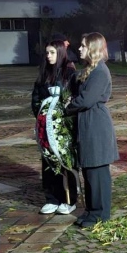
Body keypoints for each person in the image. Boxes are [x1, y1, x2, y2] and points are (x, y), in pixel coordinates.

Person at [66, 33, 119, 228]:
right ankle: (91, 209)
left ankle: (100, 213)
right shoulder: (90, 69)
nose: (79, 49)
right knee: (89, 170)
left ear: (93, 48)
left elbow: (86, 100)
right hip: (88, 123)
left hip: (96, 124)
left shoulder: (100, 71)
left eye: (83, 46)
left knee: (97, 171)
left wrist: (67, 107)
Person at [32, 40, 78, 215]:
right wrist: (43, 113)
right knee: (48, 161)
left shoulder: (69, 72)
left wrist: (61, 115)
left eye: (52, 52)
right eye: (47, 53)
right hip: (46, 127)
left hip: (63, 127)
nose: (48, 56)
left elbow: (73, 98)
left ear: (60, 53)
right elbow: (36, 97)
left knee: (65, 162)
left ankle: (69, 199)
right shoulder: (44, 73)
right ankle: (51, 198)